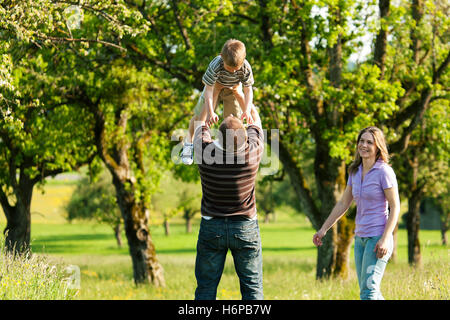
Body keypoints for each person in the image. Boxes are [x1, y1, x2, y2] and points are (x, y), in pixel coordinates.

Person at [312, 126, 400, 300]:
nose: (364, 145)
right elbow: (344, 203)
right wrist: (323, 229)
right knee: (369, 289)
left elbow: (395, 207)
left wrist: (385, 239)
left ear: (378, 147)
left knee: (368, 291)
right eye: (361, 141)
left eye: (369, 142)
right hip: (360, 238)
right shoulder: (355, 171)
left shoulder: (384, 172)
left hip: (378, 238)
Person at [192, 97, 264, 300]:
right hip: (245, 228)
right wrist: (241, 96)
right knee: (252, 289)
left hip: (211, 227)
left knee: (206, 288)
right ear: (244, 138)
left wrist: (210, 97)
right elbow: (255, 122)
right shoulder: (252, 154)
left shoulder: (204, 153)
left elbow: (200, 122)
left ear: (218, 136)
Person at [181, 38, 255, 165]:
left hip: (233, 91)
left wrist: (247, 111)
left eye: (236, 69)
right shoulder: (215, 65)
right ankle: (188, 143)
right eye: (229, 68)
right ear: (221, 57)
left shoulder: (245, 67)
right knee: (200, 117)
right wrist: (210, 112)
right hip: (214, 88)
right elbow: (209, 91)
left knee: (233, 122)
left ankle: (231, 153)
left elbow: (248, 91)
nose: (233, 72)